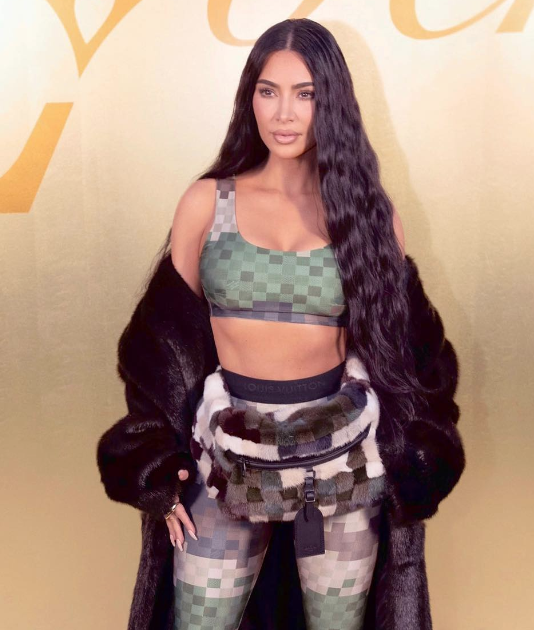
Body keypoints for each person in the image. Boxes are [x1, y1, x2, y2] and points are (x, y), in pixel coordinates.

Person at [97, 17, 465, 630]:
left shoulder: (370, 217)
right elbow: (159, 350)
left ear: (332, 102)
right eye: (268, 91)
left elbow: (412, 355)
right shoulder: (206, 203)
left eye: (305, 93)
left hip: (342, 467)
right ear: (251, 98)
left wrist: (415, 456)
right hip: (226, 464)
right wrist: (156, 466)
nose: (284, 113)